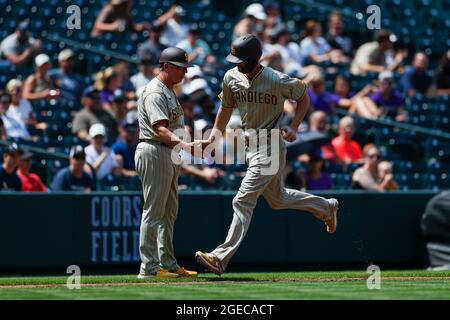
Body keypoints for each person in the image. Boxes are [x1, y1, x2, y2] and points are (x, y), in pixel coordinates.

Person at [194, 34, 339, 275]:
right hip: (249, 144)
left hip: (271, 144)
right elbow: (226, 108)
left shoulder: (275, 78)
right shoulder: (231, 77)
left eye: (241, 59)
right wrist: (214, 135)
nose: (236, 63)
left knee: (242, 199)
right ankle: (326, 207)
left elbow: (304, 97)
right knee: (278, 199)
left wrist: (294, 126)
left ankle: (220, 257)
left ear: (253, 59)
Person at [135, 47, 200, 278]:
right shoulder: (155, 92)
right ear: (166, 67)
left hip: (167, 152)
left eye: (185, 68)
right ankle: (149, 268)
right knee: (154, 211)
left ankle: (168, 263)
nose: (184, 72)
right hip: (155, 149)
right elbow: (160, 129)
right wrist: (183, 144)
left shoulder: (169, 90)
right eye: (180, 68)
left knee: (169, 211)